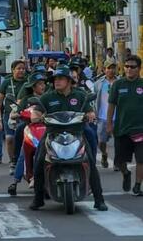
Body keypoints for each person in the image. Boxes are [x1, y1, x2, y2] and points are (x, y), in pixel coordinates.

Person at [30, 65, 107, 211]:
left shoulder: (80, 95)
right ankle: (38, 198)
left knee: (90, 161)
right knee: (39, 161)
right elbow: (36, 111)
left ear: (69, 81)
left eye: (60, 79)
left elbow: (90, 111)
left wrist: (90, 115)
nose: (56, 82)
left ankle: (99, 199)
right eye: (55, 79)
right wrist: (36, 116)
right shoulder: (48, 96)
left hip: (76, 133)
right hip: (52, 134)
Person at [107, 55, 143, 196]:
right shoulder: (118, 84)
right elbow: (111, 105)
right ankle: (126, 173)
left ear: (139, 69)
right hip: (122, 129)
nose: (129, 69)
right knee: (120, 161)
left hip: (140, 129)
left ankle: (138, 185)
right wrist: (109, 124)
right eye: (126, 66)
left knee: (141, 159)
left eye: (132, 67)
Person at [8, 72, 47, 196]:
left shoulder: (48, 98)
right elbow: (13, 114)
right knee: (23, 152)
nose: (42, 86)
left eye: (43, 83)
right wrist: (21, 114)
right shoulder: (25, 100)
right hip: (30, 129)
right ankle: (15, 180)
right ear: (33, 87)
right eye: (39, 84)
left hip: (46, 128)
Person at [0, 60, 27, 174]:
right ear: (13, 70)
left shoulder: (28, 81)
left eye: (23, 69)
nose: (21, 71)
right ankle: (12, 162)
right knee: (10, 139)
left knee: (24, 139)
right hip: (9, 115)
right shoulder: (6, 82)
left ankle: (24, 162)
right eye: (18, 68)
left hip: (24, 115)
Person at [94, 59, 118, 169]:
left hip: (118, 117)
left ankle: (118, 161)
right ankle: (104, 154)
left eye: (113, 67)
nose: (111, 70)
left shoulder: (120, 82)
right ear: (104, 70)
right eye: (109, 68)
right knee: (101, 142)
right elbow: (93, 99)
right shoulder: (98, 83)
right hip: (102, 117)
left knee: (119, 141)